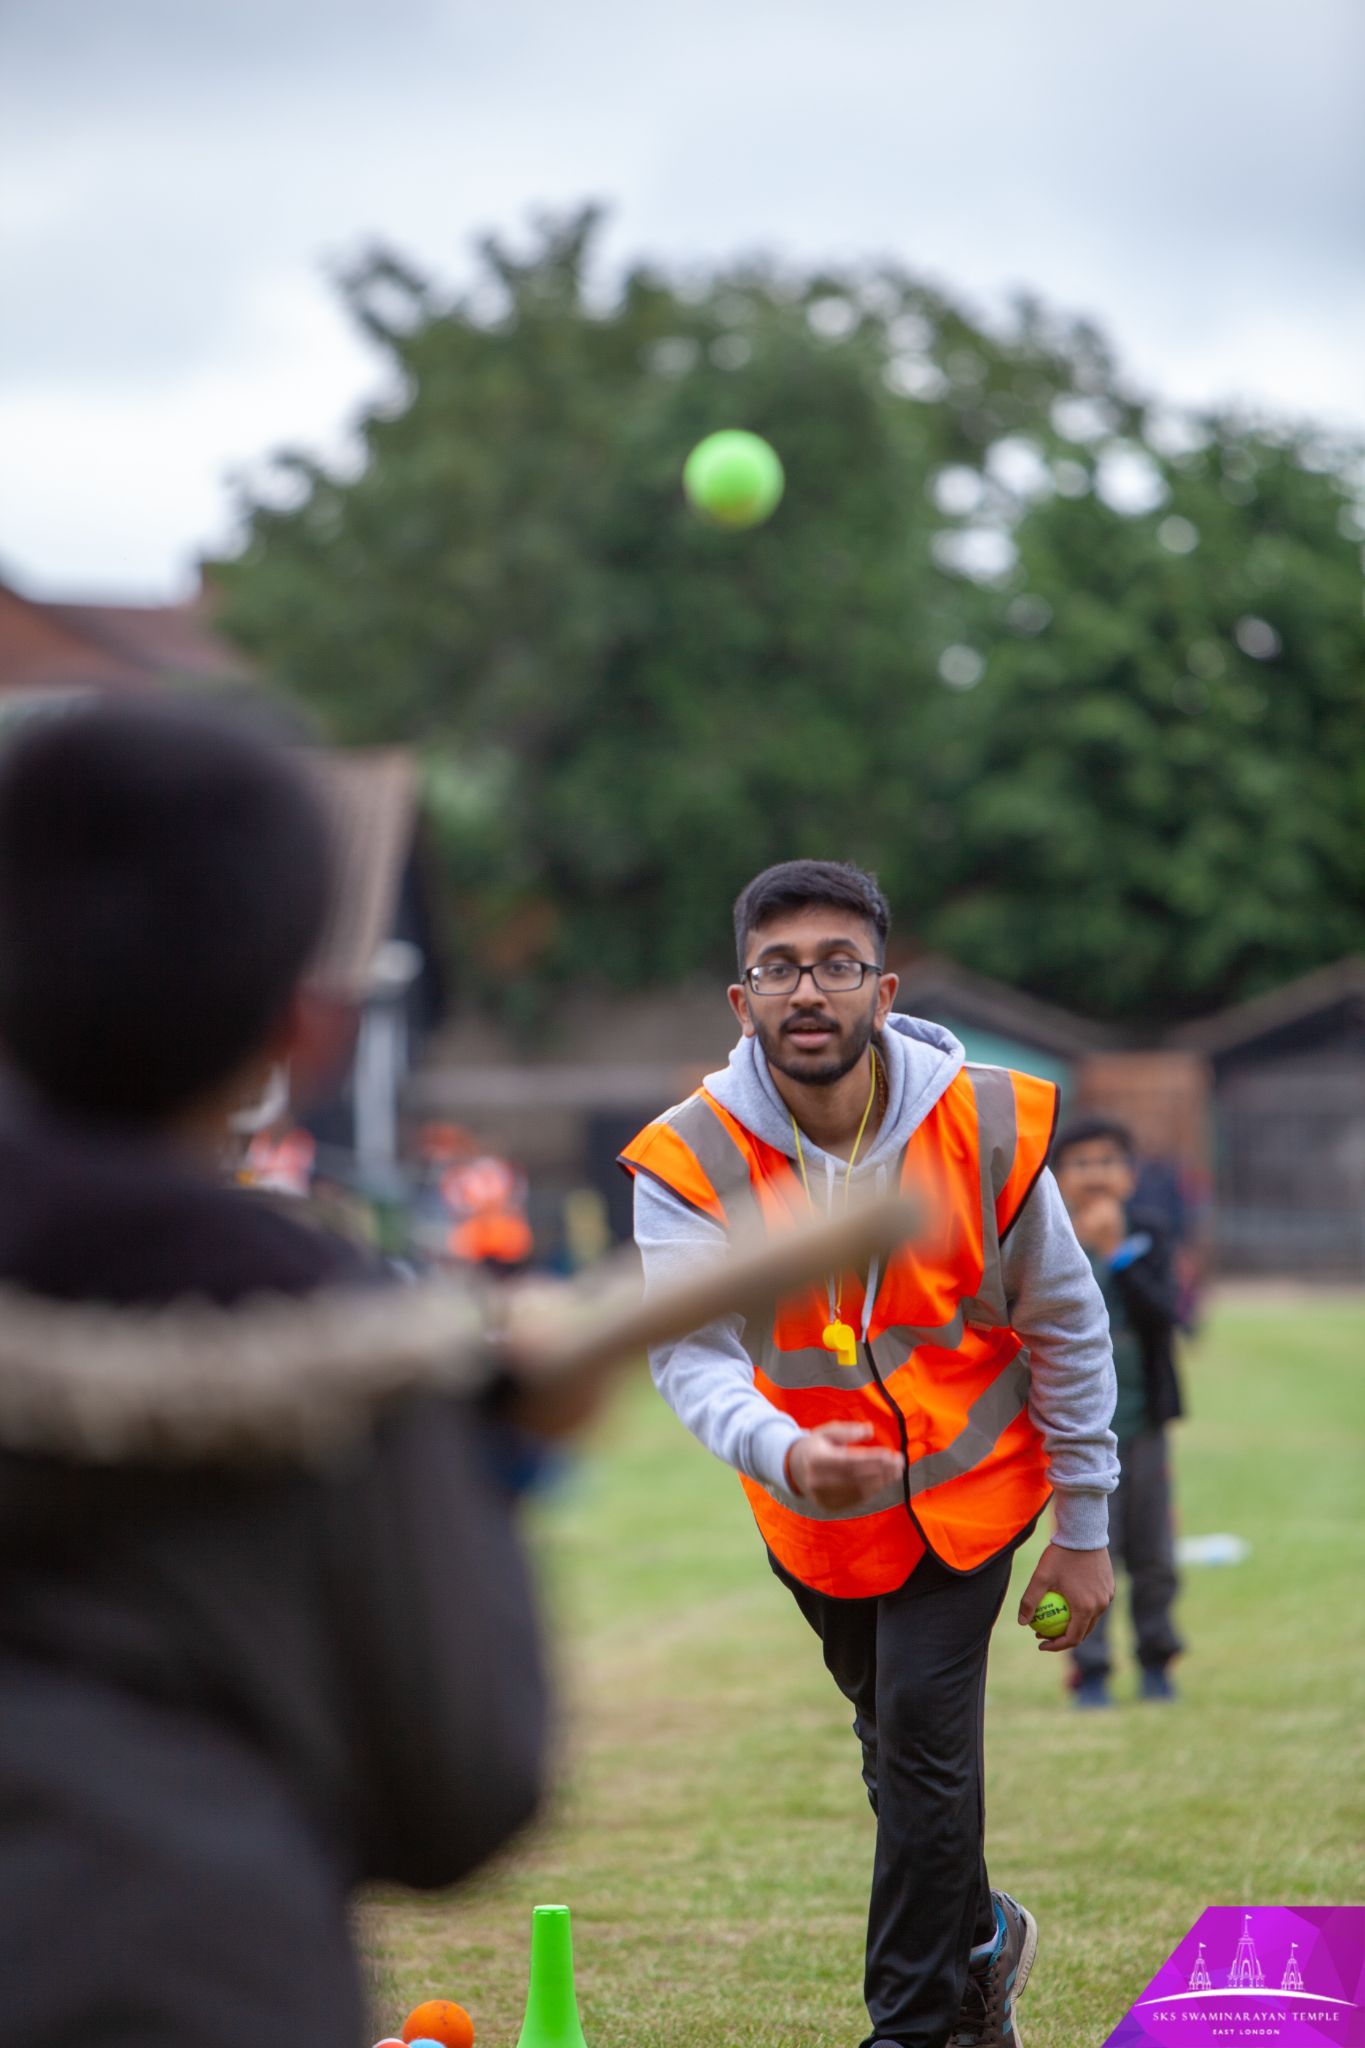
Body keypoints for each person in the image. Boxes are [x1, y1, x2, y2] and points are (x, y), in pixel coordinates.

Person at [0, 700, 550, 2048]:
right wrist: (502, 1469)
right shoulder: (340, 1349)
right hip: (196, 1989)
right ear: (300, 1032)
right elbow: (455, 1797)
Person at [621, 859, 1118, 2048]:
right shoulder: (688, 1159)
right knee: (899, 1754)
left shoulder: (986, 1119)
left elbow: (1067, 1317)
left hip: (975, 1486)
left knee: (927, 1747)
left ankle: (906, 2027)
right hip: (816, 1510)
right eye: (779, 966)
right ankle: (980, 1949)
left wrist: (1087, 1528)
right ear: (740, 999)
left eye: (837, 964)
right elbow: (688, 1357)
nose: (810, 990)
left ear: (882, 988)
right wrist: (789, 1452)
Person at [1050, 1115, 1185, 1708]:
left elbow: (1166, 1316)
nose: (1095, 1174)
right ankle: (1091, 1669)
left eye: (1108, 1162)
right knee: (1085, 1546)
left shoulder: (1148, 1232)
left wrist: (1118, 1254)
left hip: (1141, 1422)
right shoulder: (1049, 1237)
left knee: (1152, 1551)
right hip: (1076, 1429)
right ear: (1056, 1179)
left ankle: (1157, 1660)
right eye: (1080, 1163)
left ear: (1130, 1176)